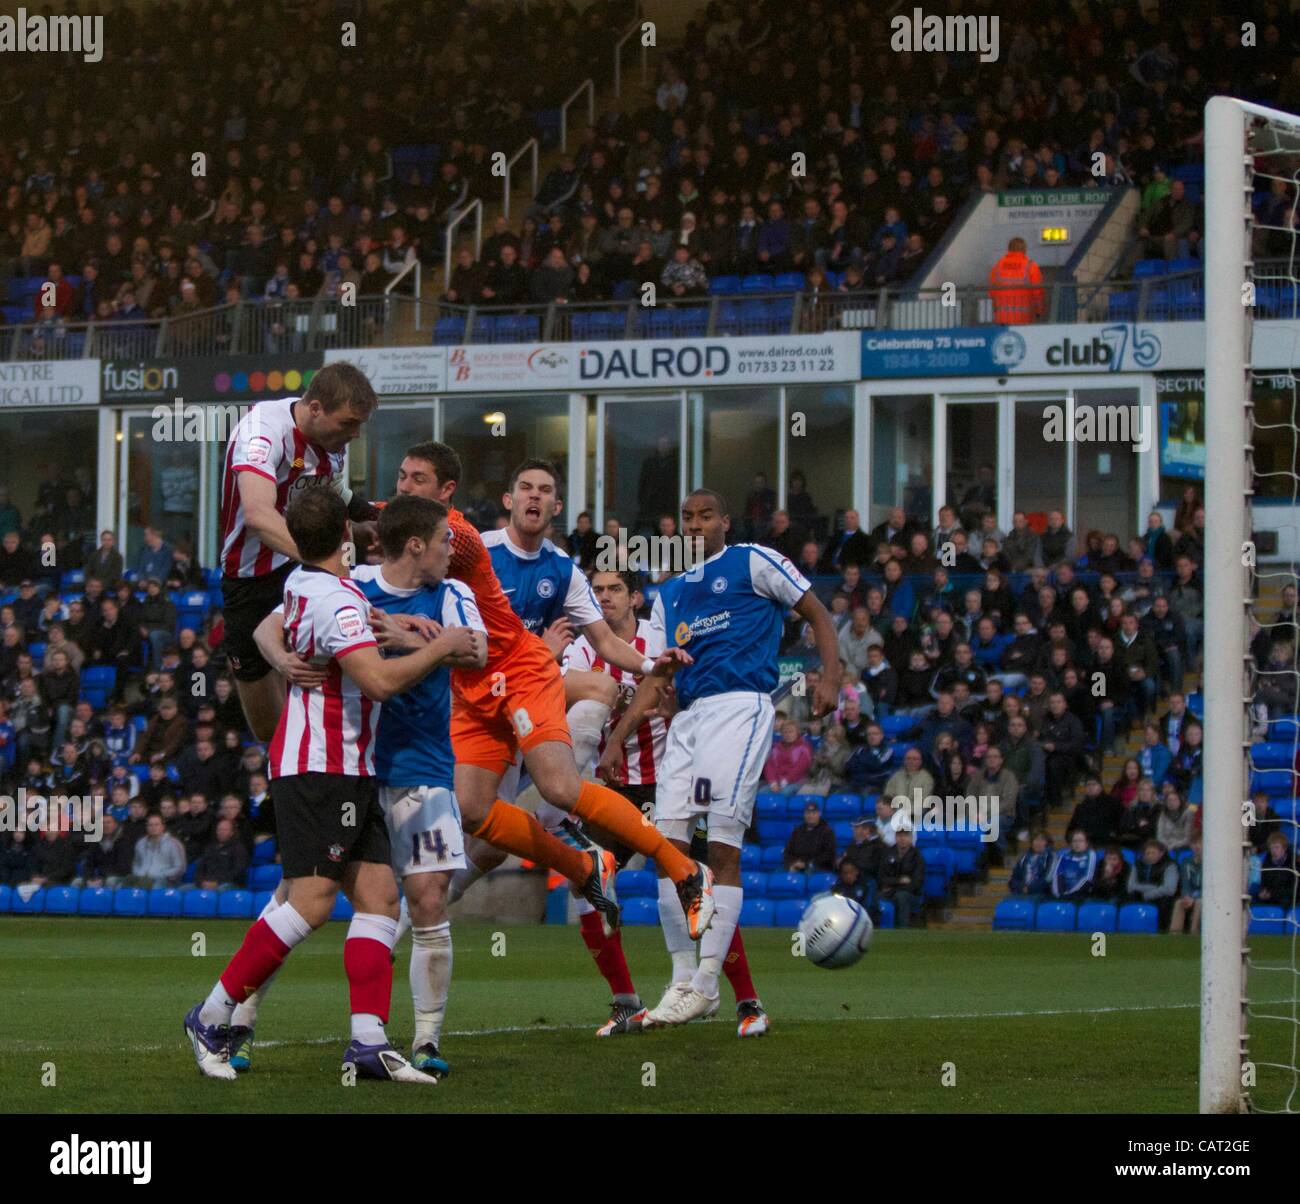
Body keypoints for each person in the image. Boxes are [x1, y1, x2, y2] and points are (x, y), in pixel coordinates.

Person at [183, 487, 485, 1083]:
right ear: (349, 540)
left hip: (353, 769)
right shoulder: (342, 599)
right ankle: (213, 1014)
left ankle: (369, 1043)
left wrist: (402, 628)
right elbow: (376, 682)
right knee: (309, 903)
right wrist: (440, 644)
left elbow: (287, 625)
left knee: (379, 901)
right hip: (323, 767)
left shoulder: (304, 584)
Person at [391, 443, 713, 939]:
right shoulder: (448, 542)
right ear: (509, 499)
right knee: (476, 813)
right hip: (474, 689)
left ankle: (684, 868)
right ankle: (584, 864)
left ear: (556, 507)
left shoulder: (550, 565)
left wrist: (651, 664)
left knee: (565, 773)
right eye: (526, 488)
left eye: (545, 491)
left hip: (525, 677)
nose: (534, 497)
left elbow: (603, 640)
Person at [605, 486, 841, 1026]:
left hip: (738, 709)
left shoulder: (751, 561)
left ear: (725, 521)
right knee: (667, 849)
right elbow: (658, 672)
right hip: (687, 718)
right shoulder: (669, 594)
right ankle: (683, 979)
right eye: (686, 517)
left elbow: (817, 612)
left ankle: (710, 982)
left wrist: (830, 676)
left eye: (705, 515)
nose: (694, 525)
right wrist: (621, 733)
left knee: (722, 851)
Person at [218, 362, 382, 744]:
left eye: (360, 425)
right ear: (315, 409)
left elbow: (329, 487)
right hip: (249, 580)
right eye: (348, 423)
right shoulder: (263, 431)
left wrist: (367, 517)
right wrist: (323, 565)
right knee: (268, 731)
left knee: (323, 693)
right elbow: (259, 516)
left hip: (297, 569)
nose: (355, 434)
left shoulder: (330, 441)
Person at [988, 236, 1045, 324]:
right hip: (1024, 318)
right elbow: (1038, 292)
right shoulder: (1030, 266)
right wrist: (1039, 311)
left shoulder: (998, 265)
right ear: (1024, 249)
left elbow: (991, 291)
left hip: (1002, 318)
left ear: (1009, 249)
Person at [878, 825, 925, 928]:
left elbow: (916, 883)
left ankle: (903, 929)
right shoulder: (888, 853)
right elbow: (882, 877)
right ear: (895, 837)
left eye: (906, 835)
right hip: (890, 892)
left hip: (910, 894)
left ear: (911, 838)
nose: (902, 838)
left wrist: (894, 886)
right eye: (900, 835)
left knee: (901, 896)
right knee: (876, 898)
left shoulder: (917, 856)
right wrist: (899, 880)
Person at [1127, 839, 1180, 930]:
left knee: (1166, 902)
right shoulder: (1137, 865)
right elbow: (1131, 886)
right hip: (1140, 895)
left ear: (1161, 853)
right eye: (1147, 853)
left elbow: (1170, 889)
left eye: (1153, 853)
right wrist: (1152, 888)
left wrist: (1150, 894)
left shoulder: (1170, 865)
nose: (1150, 856)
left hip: (1161, 897)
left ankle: (1162, 931)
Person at [783, 799, 836, 872]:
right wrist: (792, 863)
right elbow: (788, 851)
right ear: (804, 815)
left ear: (819, 814)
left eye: (813, 813)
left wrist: (807, 864)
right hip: (797, 866)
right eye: (808, 813)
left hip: (817, 868)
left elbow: (829, 853)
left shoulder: (827, 831)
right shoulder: (797, 831)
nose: (810, 815)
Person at [764, 719, 813, 795]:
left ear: (797, 732)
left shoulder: (804, 748)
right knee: (761, 793)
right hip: (777, 782)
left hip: (796, 781)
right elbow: (769, 766)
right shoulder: (776, 748)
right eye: (785, 732)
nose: (788, 735)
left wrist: (785, 781)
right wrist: (773, 782)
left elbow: (800, 768)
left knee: (783, 794)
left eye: (791, 732)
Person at [1169, 837, 1203, 934]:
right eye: (1194, 843)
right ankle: (1175, 933)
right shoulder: (1187, 862)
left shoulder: (1213, 862)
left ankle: (1194, 932)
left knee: (1199, 902)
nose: (1196, 846)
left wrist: (1195, 897)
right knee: (1179, 903)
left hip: (1207, 896)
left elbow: (1211, 887)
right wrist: (1186, 895)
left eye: (1200, 843)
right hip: (1192, 895)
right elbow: (1185, 882)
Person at [1050, 829, 1097, 899]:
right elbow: (1057, 876)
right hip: (1063, 895)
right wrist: (1059, 895)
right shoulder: (1063, 856)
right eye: (1074, 841)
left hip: (1082, 895)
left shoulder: (1091, 855)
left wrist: (1069, 894)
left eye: (1080, 841)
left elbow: (1087, 878)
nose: (1077, 844)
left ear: (1086, 843)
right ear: (1071, 843)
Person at [1008, 831, 1054, 897]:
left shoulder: (1051, 857)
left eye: (1042, 840)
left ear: (1047, 843)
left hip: (1043, 895)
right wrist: (1021, 887)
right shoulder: (1024, 858)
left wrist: (1030, 889)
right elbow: (1014, 878)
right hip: (1022, 893)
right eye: (1036, 839)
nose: (1038, 843)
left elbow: (1048, 879)